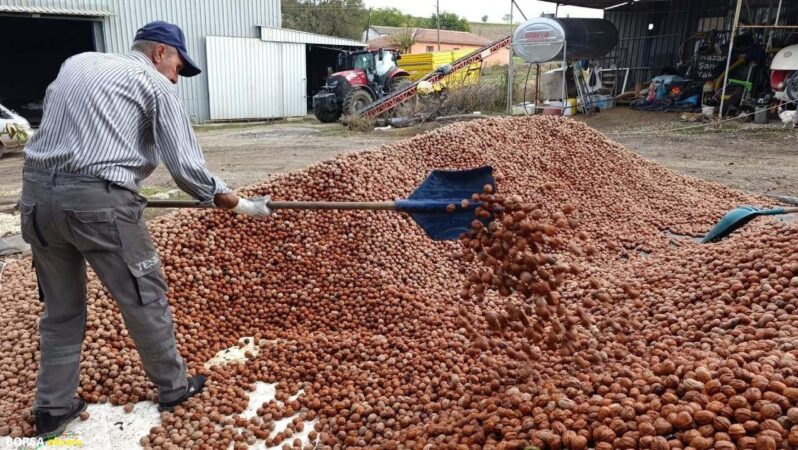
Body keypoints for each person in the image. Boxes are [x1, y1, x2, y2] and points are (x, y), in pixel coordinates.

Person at [19, 21, 270, 440]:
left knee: (61, 312)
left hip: (35, 199)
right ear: (159, 54)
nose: (177, 76)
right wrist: (236, 202)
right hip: (99, 203)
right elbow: (187, 169)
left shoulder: (77, 62)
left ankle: (52, 408)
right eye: (177, 66)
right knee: (144, 296)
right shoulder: (154, 85)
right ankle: (174, 389)